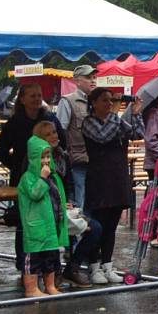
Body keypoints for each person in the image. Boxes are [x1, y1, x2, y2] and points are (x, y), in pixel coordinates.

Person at [0, 83, 65, 272]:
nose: (36, 99)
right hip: (23, 179)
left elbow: (62, 141)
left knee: (49, 219)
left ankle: (49, 264)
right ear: (23, 99)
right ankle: (23, 262)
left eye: (39, 95)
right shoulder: (14, 122)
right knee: (25, 221)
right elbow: (1, 151)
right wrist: (18, 167)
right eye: (32, 96)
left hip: (49, 177)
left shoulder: (49, 118)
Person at [82, 87, 144, 283]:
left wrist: (135, 114)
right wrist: (118, 116)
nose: (109, 104)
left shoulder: (116, 121)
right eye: (105, 100)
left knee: (111, 225)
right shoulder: (88, 122)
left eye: (111, 100)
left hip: (118, 177)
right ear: (93, 103)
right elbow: (102, 136)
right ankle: (94, 266)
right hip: (99, 179)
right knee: (98, 224)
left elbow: (137, 133)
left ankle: (107, 265)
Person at [32, 121, 101, 286]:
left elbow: (69, 184)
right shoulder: (34, 160)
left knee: (96, 228)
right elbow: (35, 190)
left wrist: (69, 201)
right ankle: (52, 275)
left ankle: (73, 267)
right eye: (48, 134)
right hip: (46, 211)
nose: (54, 136)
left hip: (64, 208)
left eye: (54, 132)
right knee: (57, 235)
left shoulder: (63, 155)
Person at [17, 136, 69, 297]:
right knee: (33, 261)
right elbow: (35, 194)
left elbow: (57, 196)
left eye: (48, 156)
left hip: (50, 226)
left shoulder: (52, 177)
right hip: (35, 228)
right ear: (33, 158)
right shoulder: (28, 178)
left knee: (51, 259)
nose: (46, 160)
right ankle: (32, 289)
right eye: (42, 157)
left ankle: (50, 286)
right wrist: (42, 179)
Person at [56, 64, 98, 212]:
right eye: (88, 78)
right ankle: (79, 234)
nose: (93, 81)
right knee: (80, 203)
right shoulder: (68, 101)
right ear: (77, 81)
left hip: (96, 161)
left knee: (94, 203)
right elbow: (60, 132)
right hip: (77, 161)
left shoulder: (98, 102)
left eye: (94, 77)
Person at [142, 94, 158, 247]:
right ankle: (151, 234)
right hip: (156, 164)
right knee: (154, 199)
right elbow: (151, 140)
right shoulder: (155, 114)